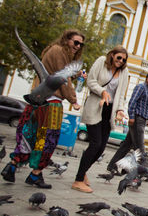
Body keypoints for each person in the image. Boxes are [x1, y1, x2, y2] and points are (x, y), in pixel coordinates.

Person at [1, 29, 85, 188]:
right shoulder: (59, 51)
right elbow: (62, 78)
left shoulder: (54, 51)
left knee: (29, 134)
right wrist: (73, 100)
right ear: (67, 39)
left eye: (81, 44)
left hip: (36, 101)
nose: (78, 46)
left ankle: (11, 167)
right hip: (51, 104)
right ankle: (35, 174)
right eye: (75, 42)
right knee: (48, 139)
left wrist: (76, 74)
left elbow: (58, 74)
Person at [71, 46, 129, 193]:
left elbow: (120, 94)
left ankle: (83, 172)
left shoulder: (124, 71)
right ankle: (78, 180)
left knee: (101, 147)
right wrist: (102, 91)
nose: (121, 61)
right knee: (95, 143)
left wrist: (120, 109)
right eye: (118, 58)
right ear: (112, 55)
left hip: (109, 111)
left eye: (123, 60)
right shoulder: (101, 62)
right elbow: (90, 81)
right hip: (96, 106)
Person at [106, 72, 148, 173]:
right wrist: (132, 117)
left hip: (142, 120)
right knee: (140, 147)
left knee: (126, 145)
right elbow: (132, 102)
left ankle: (113, 165)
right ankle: (141, 171)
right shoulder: (140, 87)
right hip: (137, 119)